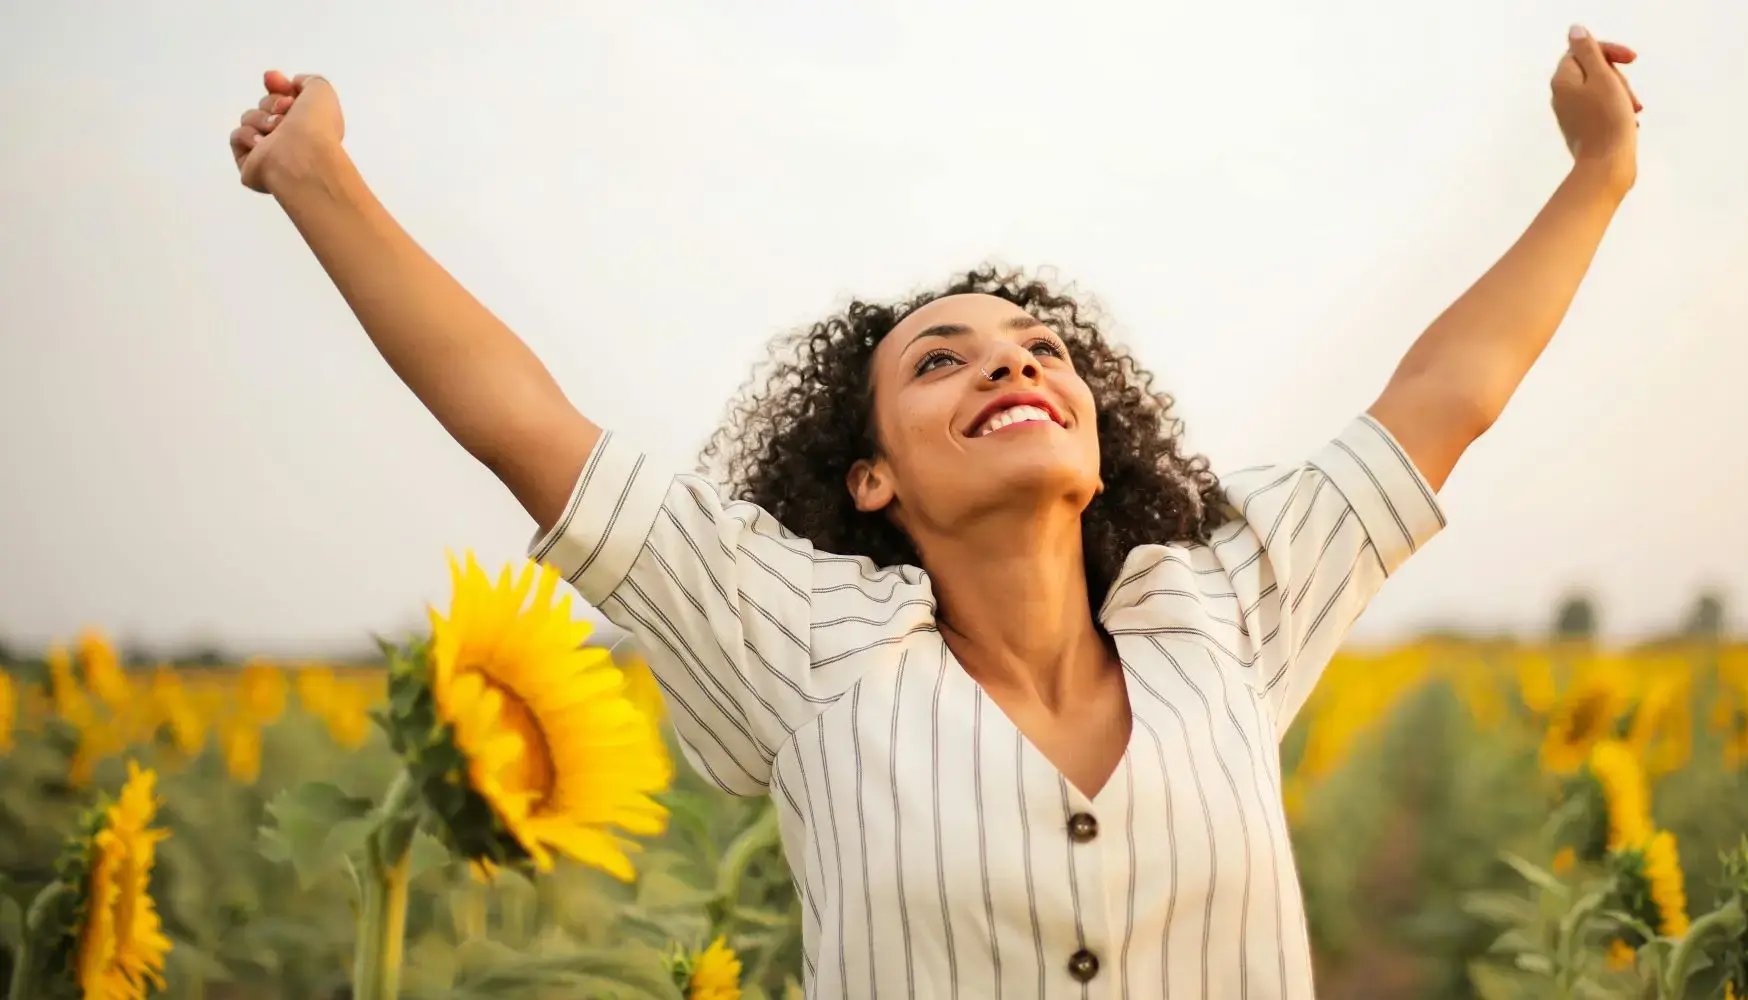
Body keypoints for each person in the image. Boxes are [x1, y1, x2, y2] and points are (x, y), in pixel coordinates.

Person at [228, 24, 1641, 998]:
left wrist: (1596, 176)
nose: (1011, 363)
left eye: (1038, 349)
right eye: (941, 360)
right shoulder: (803, 648)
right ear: (872, 477)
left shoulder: (1222, 607)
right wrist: (317, 174)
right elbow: (523, 426)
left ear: (1098, 438)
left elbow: (1445, 394)